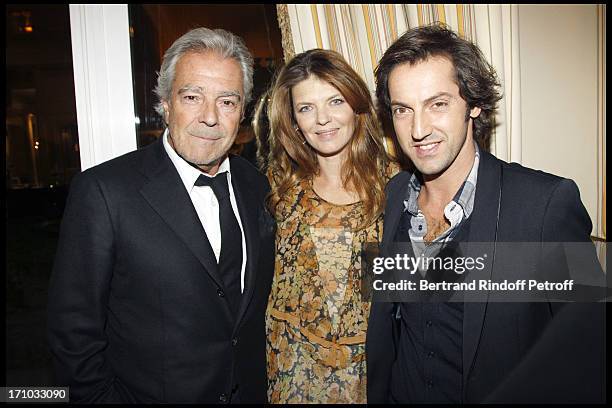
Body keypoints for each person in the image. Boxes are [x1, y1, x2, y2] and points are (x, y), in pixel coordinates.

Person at [366, 24, 604, 403]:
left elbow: (591, 349)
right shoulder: (394, 197)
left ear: (473, 104)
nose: (419, 129)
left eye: (438, 104)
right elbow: (395, 328)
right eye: (402, 110)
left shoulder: (543, 205)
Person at [47, 27, 275, 403]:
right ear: (165, 103)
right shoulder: (105, 193)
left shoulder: (258, 187)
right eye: (191, 97)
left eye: (227, 102)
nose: (210, 117)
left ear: (243, 111)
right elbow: (73, 336)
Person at [264, 49, 397, 403]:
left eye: (335, 101)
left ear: (356, 105)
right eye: (306, 108)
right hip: (291, 380)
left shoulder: (397, 189)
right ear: (293, 120)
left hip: (369, 380)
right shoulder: (279, 188)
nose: (322, 119)